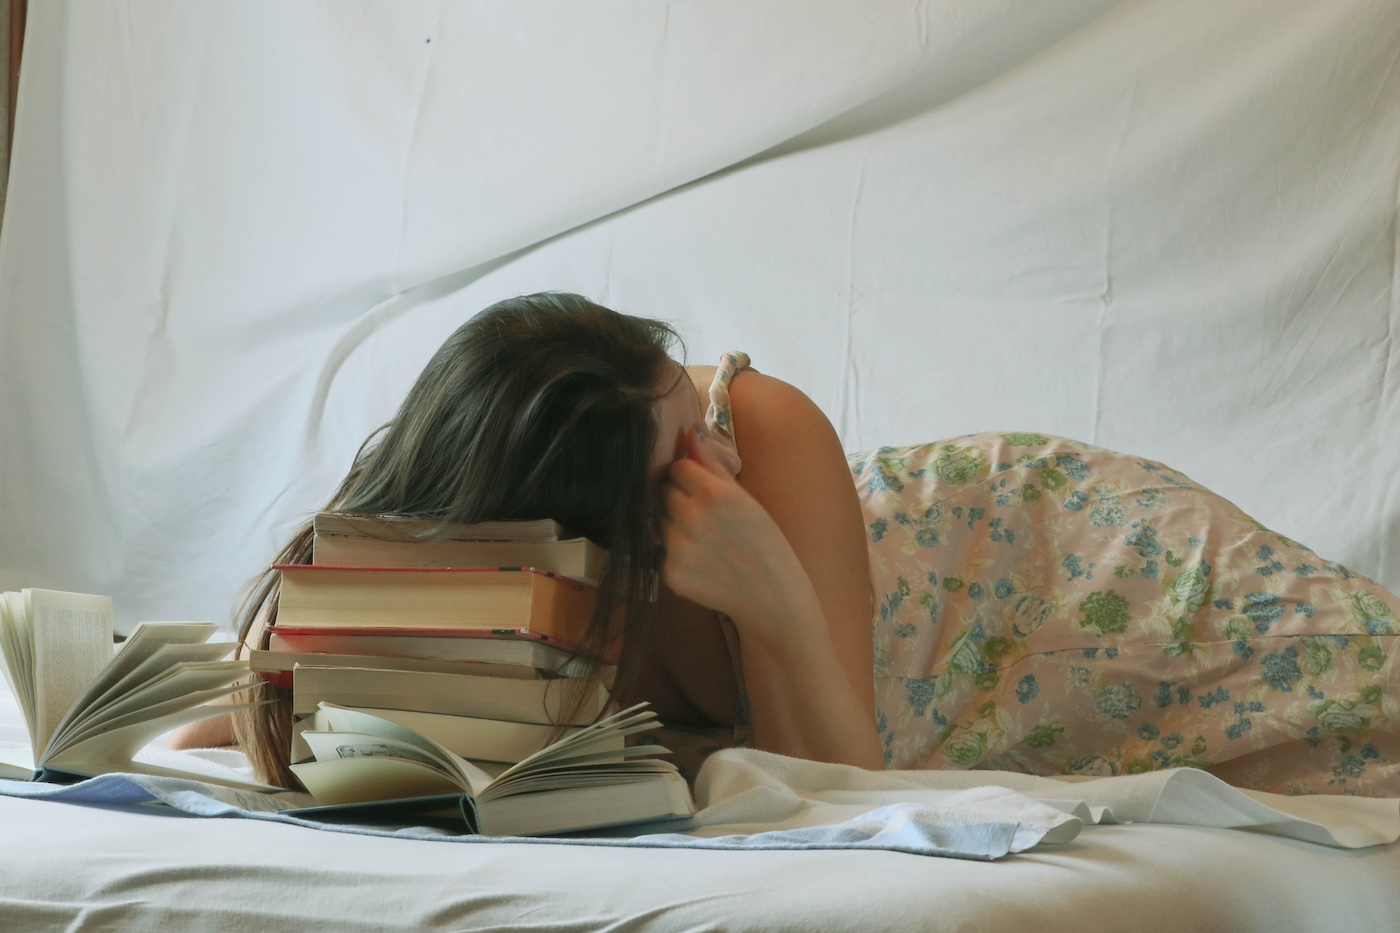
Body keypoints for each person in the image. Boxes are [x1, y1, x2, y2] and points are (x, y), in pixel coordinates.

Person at [206, 291, 1398, 795]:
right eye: (684, 450)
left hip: (1062, 568)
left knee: (1365, 690)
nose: (714, 452)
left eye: (689, 405)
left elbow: (842, 795)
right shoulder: (492, 596)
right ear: (584, 530)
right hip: (994, 713)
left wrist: (769, 594)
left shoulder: (758, 426)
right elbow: (246, 714)